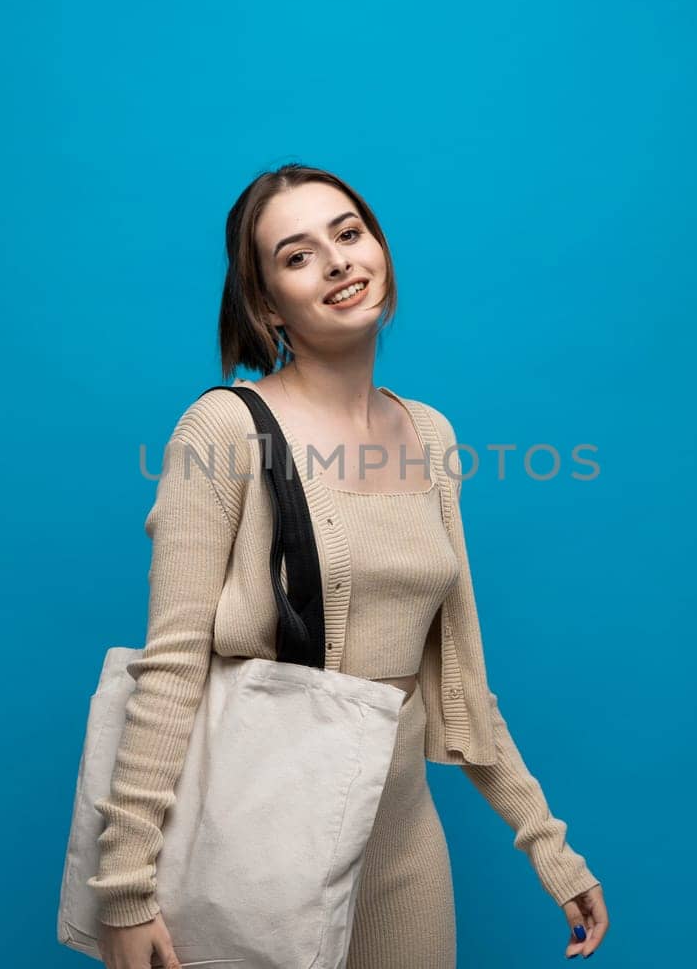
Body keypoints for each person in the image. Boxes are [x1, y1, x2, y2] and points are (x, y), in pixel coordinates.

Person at [91, 163, 609, 968]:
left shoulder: (431, 435)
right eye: (297, 256)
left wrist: (548, 846)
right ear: (266, 305)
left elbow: (458, 677)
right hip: (259, 843)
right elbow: (172, 666)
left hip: (403, 847)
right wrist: (126, 888)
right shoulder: (221, 429)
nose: (336, 262)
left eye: (349, 233)